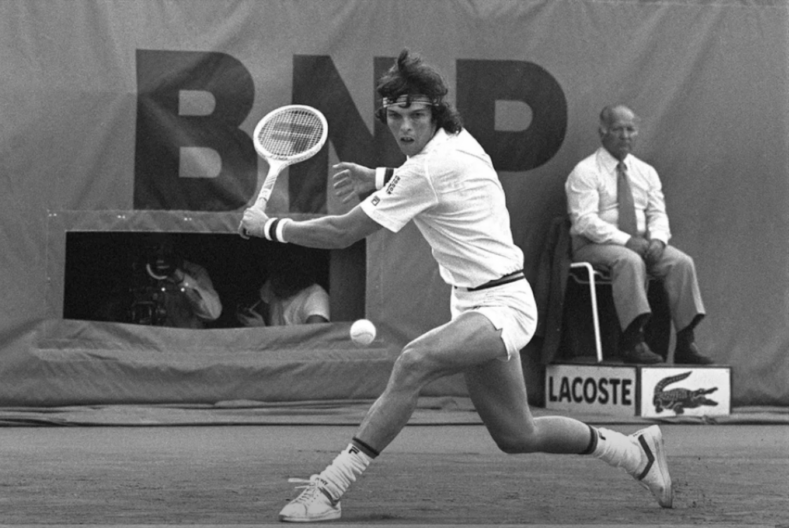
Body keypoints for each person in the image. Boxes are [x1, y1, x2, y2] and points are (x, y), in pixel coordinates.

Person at [240, 50, 673, 522]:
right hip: (474, 304)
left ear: (436, 113)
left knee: (413, 362)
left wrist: (269, 227)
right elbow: (441, 180)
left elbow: (344, 232)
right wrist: (379, 176)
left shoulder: (427, 168)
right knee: (518, 435)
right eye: (396, 116)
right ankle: (634, 453)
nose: (406, 127)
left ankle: (330, 488)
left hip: (503, 305)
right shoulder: (455, 142)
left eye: (417, 115)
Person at [565, 105, 711, 365]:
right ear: (603, 132)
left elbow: (658, 214)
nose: (625, 136)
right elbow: (584, 221)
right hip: (594, 245)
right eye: (618, 129)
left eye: (630, 129)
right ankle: (633, 340)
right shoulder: (585, 171)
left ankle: (686, 342)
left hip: (641, 242)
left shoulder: (646, 172)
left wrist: (658, 241)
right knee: (629, 260)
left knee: (681, 263)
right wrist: (627, 241)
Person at [133, 234, 222, 329]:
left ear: (172, 246)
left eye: (164, 246)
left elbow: (213, 313)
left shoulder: (195, 272)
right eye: (154, 247)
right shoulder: (143, 272)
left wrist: (179, 276)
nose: (160, 252)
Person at [237, 250, 330, 327]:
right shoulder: (272, 285)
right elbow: (264, 315)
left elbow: (315, 341)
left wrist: (261, 330)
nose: (274, 284)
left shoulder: (316, 298)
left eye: (281, 279)